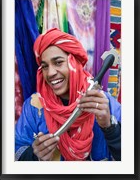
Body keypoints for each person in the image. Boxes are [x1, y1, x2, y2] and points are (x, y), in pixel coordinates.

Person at [15, 28, 121, 161]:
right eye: (45, 66)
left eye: (58, 62)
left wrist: (109, 128)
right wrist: (34, 156)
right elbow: (16, 150)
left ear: (75, 63)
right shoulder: (34, 106)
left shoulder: (104, 104)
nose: (50, 73)